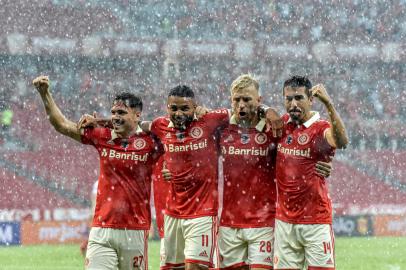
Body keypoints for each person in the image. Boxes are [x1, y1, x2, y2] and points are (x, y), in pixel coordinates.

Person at [33, 75, 160, 270]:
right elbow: (62, 125)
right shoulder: (102, 136)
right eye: (113, 112)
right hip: (102, 229)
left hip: (134, 231)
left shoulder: (151, 142)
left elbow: (174, 128)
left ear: (137, 115)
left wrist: (103, 120)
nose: (115, 116)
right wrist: (45, 94)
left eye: (121, 112)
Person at [217, 74, 332, 270]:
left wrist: (321, 163)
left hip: (264, 221)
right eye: (237, 100)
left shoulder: (274, 129)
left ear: (258, 100)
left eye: (247, 99)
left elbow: (300, 148)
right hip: (229, 222)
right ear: (231, 101)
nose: (242, 105)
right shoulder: (222, 129)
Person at [273, 76, 348, 270]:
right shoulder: (281, 126)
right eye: (288, 99)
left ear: (311, 100)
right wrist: (266, 110)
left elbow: (342, 142)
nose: (293, 104)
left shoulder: (319, 128)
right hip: (284, 222)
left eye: (299, 98)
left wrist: (329, 104)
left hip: (315, 221)